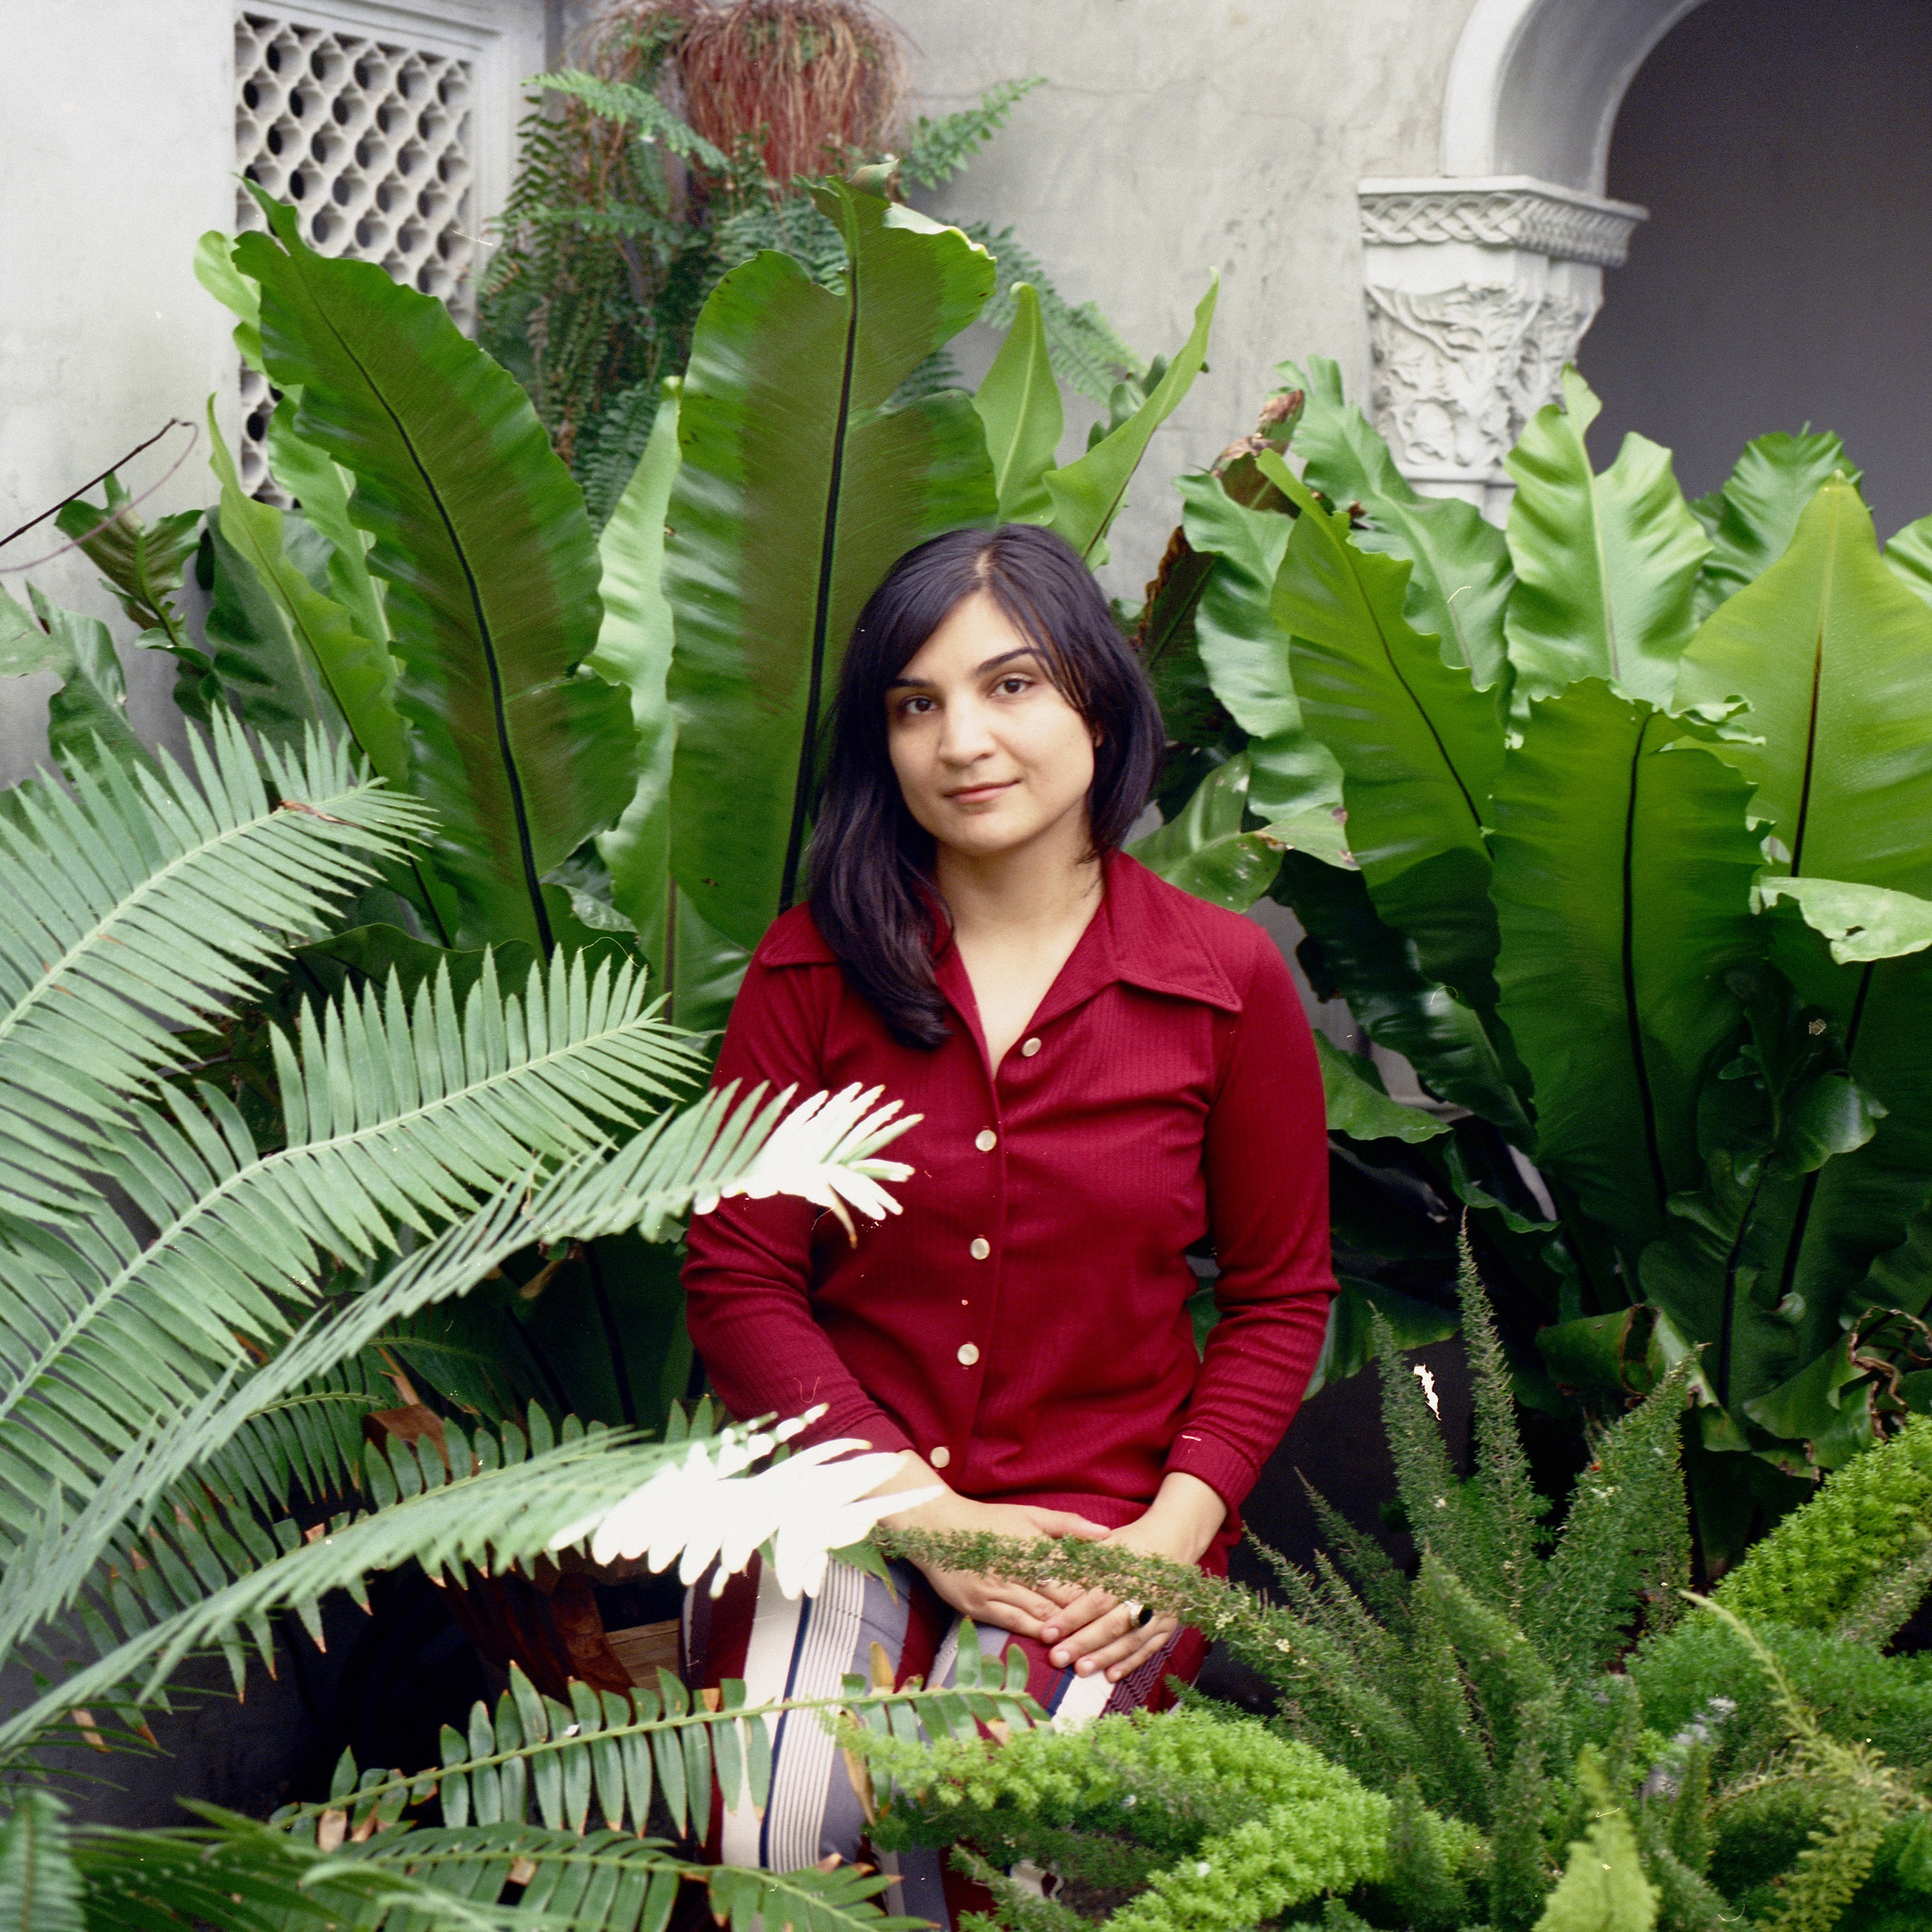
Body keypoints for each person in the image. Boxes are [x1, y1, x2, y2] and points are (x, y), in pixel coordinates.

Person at [681, 524, 1336, 1923]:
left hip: (1109, 1540)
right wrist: (931, 1521)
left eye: (1010, 686)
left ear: (1097, 701)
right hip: (850, 1512)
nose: (962, 740)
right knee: (794, 1841)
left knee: (1026, 1854)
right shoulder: (812, 970)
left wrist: (1171, 1541)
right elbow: (740, 1277)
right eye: (916, 705)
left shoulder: (1223, 986)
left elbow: (1282, 1298)